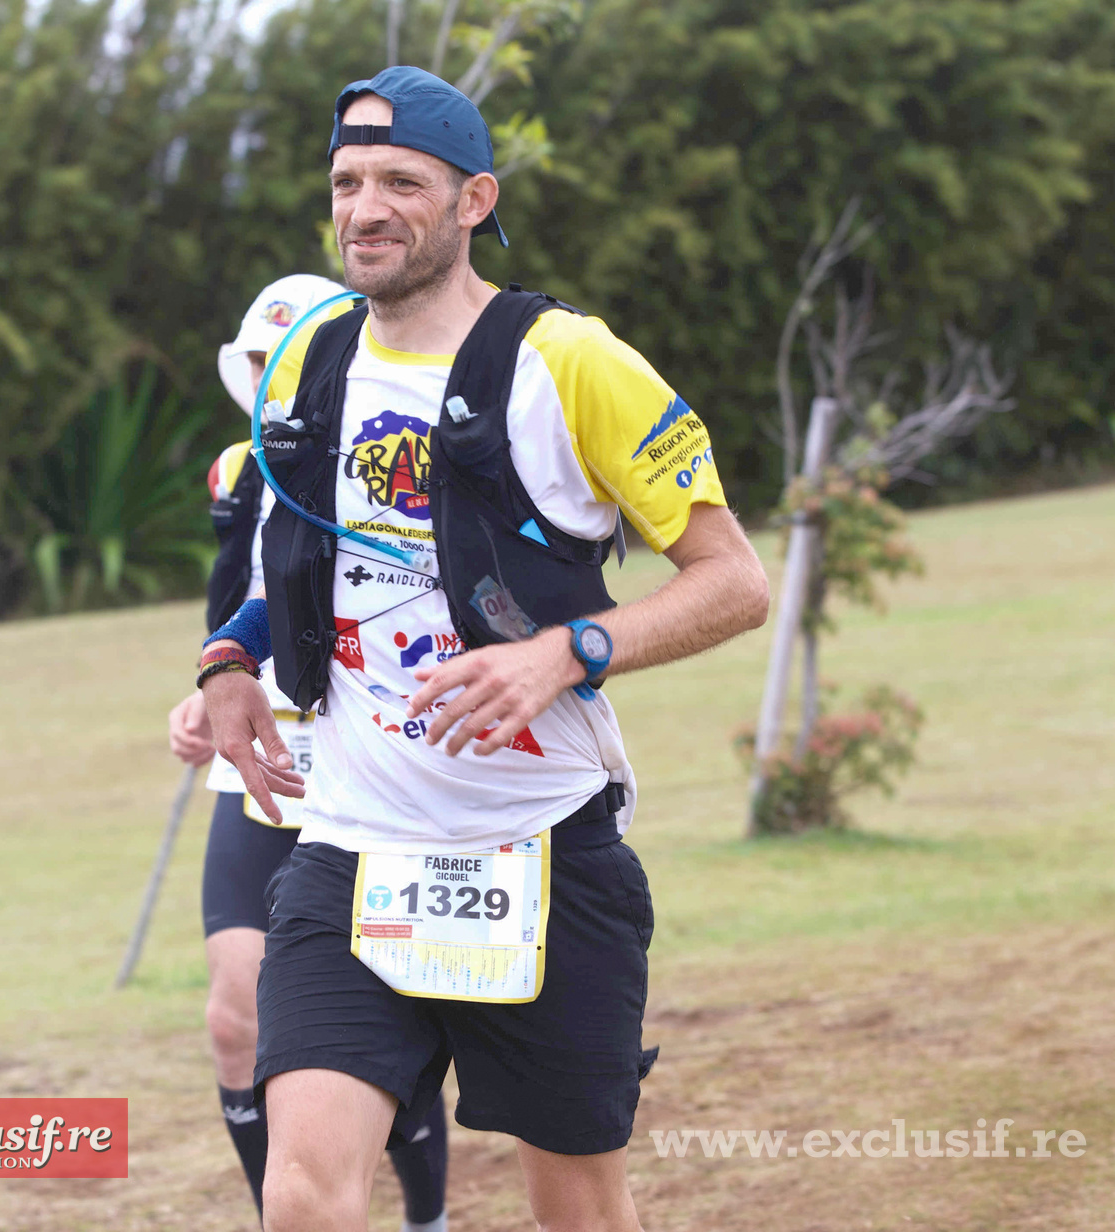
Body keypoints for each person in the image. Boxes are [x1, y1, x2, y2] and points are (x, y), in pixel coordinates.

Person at [198, 66, 769, 1232]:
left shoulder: (573, 360)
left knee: (578, 1206)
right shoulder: (308, 361)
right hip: (349, 849)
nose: (365, 208)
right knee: (303, 1198)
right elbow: (312, 565)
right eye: (347, 181)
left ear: (472, 200)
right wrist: (226, 665)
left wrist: (567, 649)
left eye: (401, 181)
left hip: (544, 849)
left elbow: (734, 582)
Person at [168, 273, 450, 1231]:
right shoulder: (235, 471)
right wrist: (207, 687)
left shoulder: (396, 453)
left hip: (369, 752)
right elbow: (232, 608)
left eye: (286, 358)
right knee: (233, 1010)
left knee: (385, 1031)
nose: (272, 379)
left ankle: (427, 1215)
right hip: (257, 761)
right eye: (258, 362)